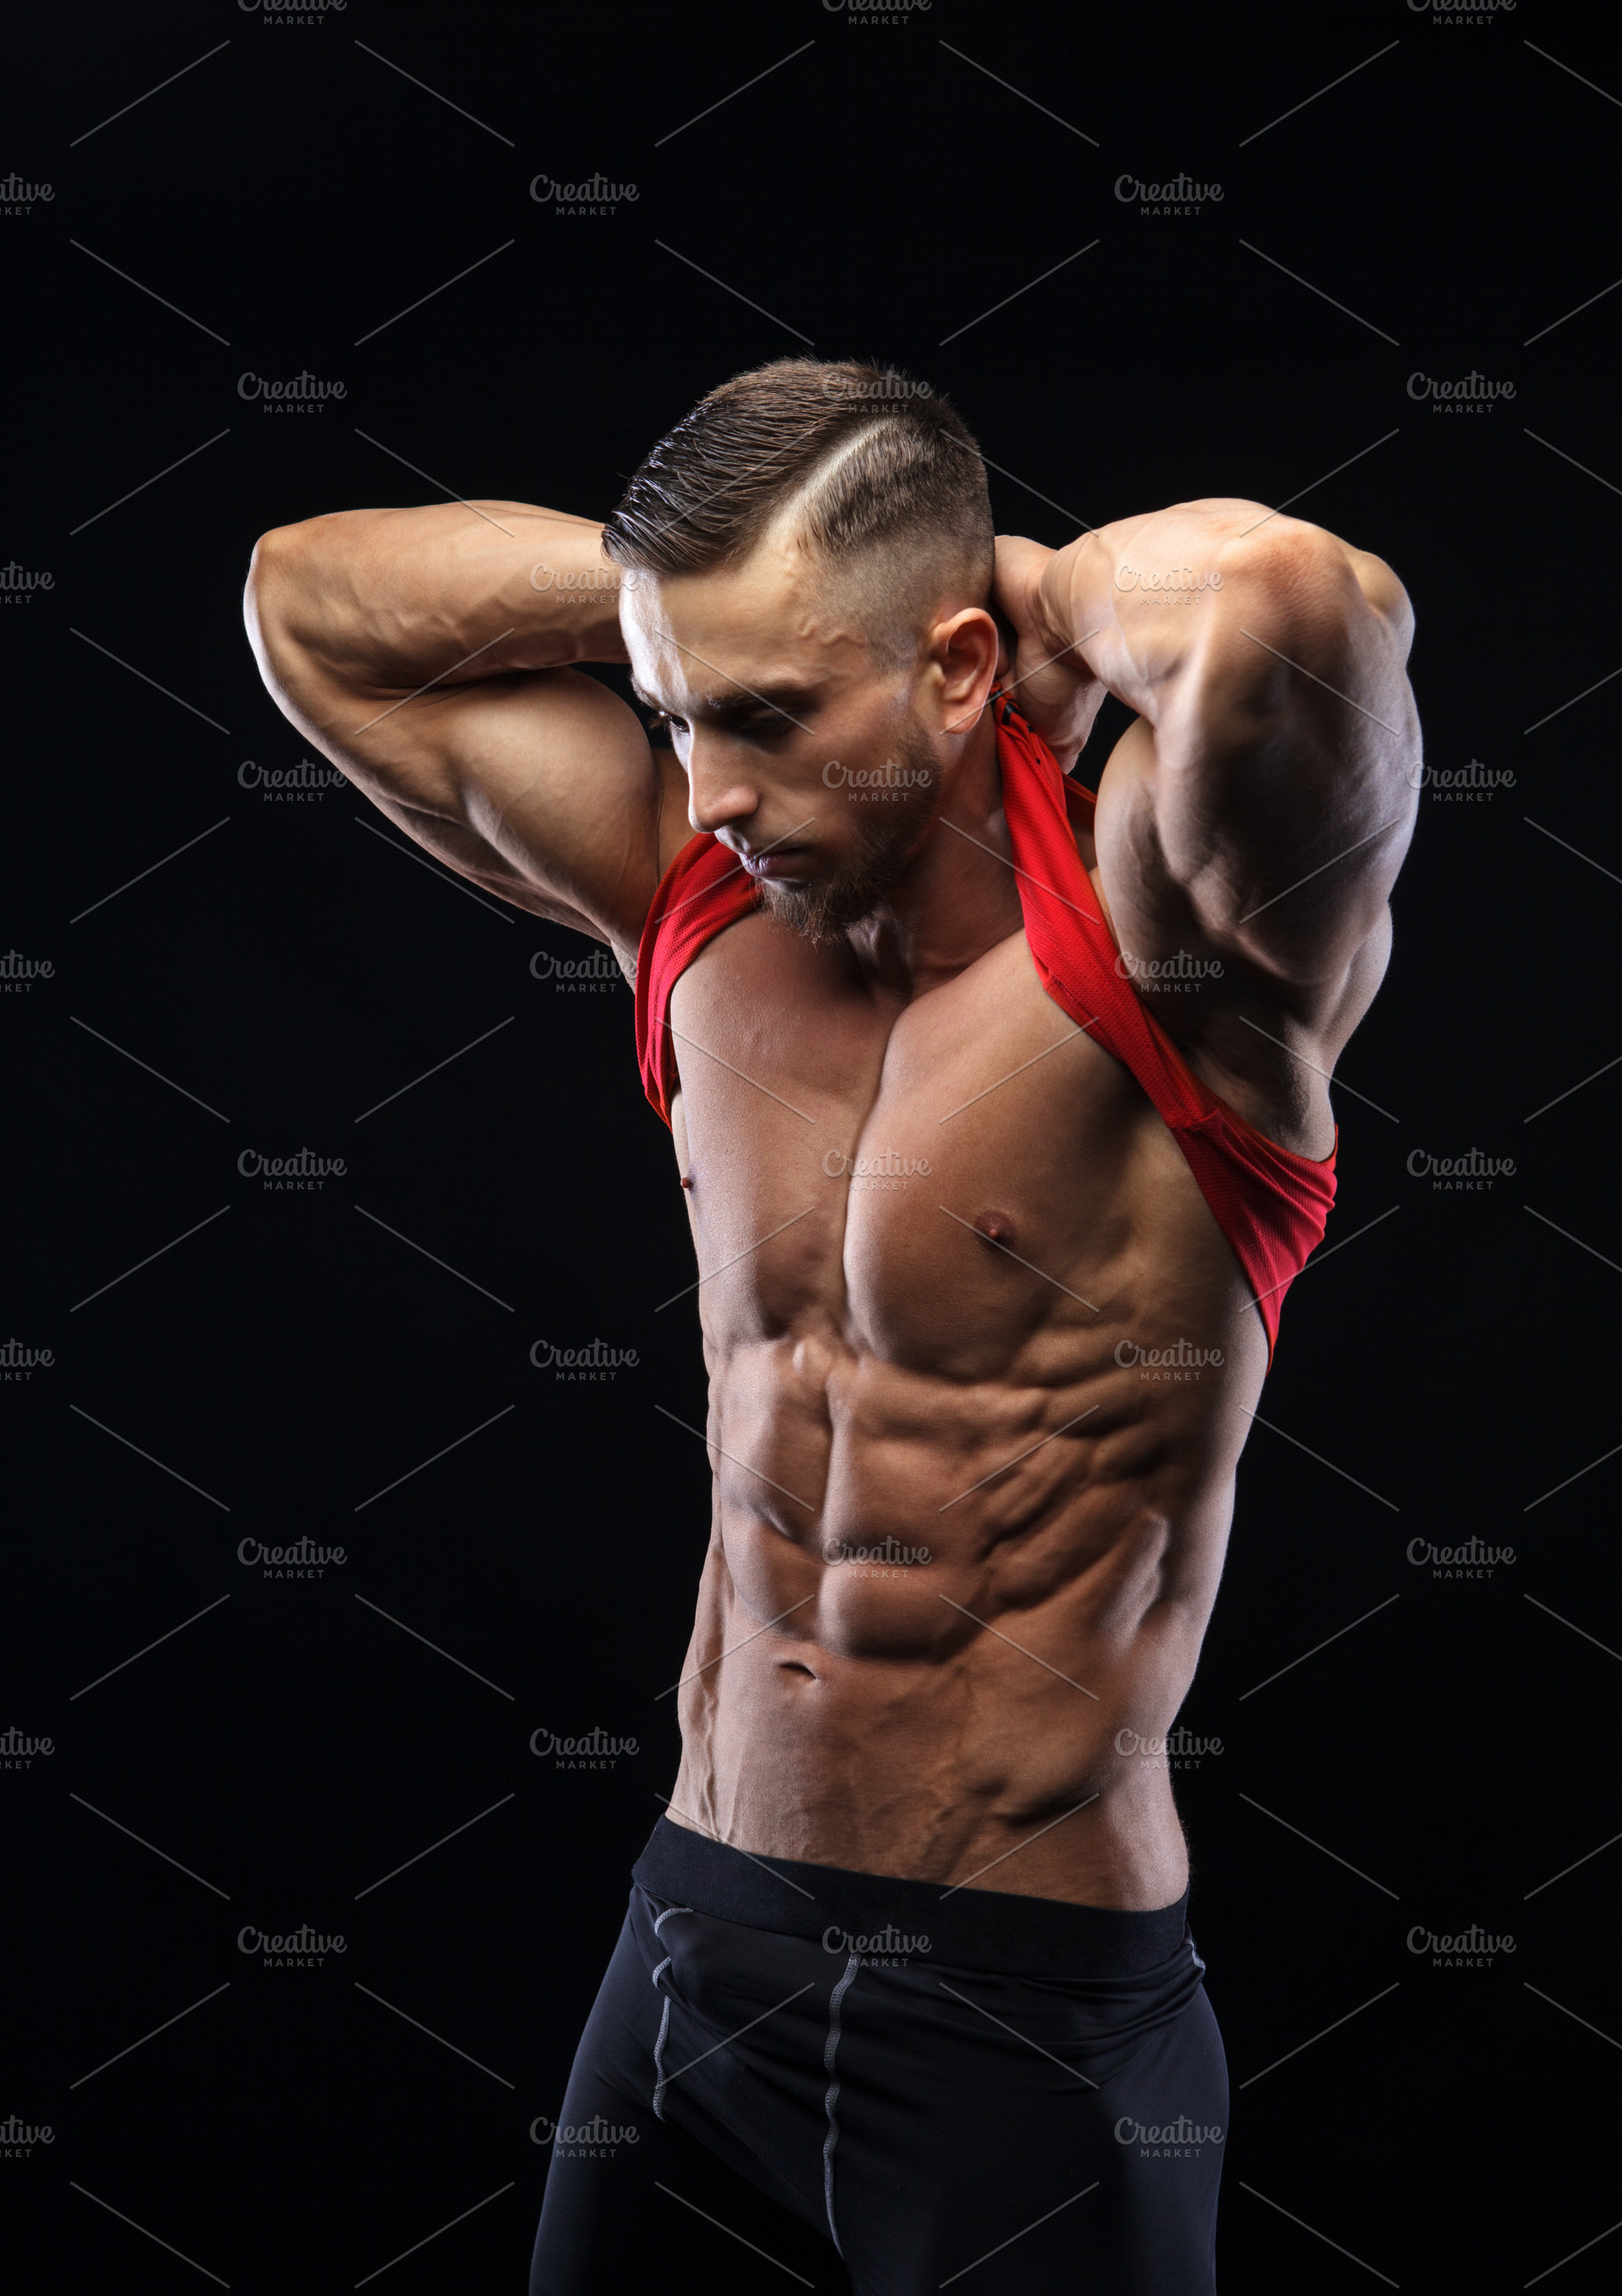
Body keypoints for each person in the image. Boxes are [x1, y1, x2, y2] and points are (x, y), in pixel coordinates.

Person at [245, 359, 1419, 2294]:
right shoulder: (691, 903)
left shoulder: (1172, 945)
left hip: (1026, 2025)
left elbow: (1296, 601)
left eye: (775, 715)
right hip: (690, 1946)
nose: (711, 787)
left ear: (952, 669)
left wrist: (1030, 588)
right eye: (674, 711)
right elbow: (308, 596)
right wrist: (675, 610)